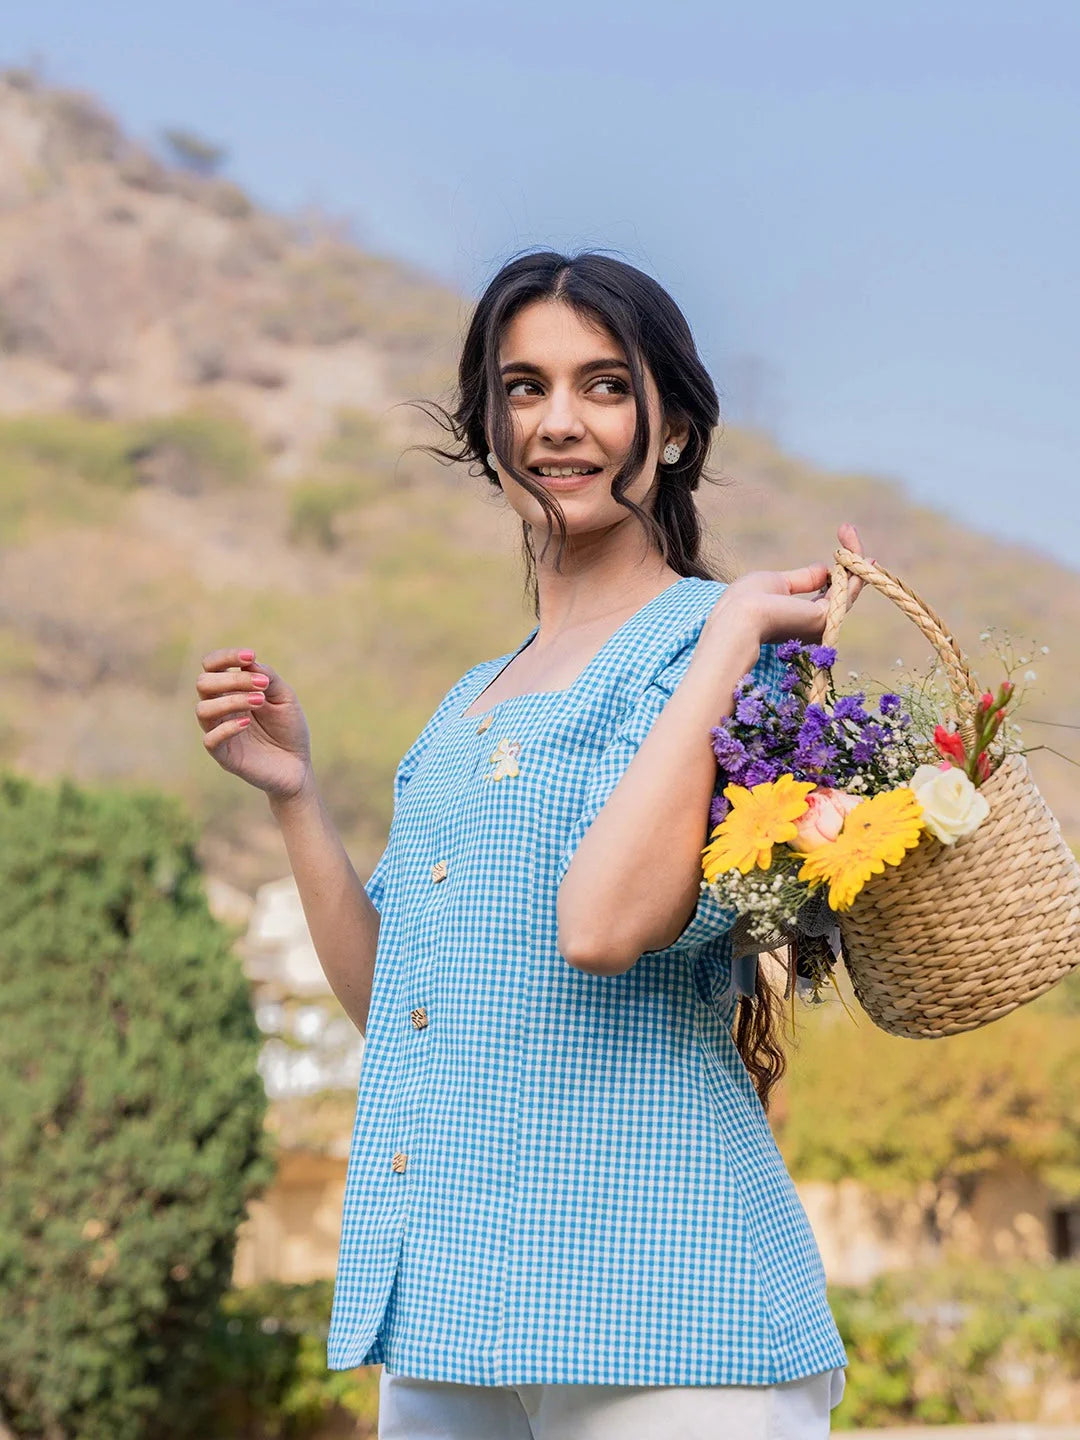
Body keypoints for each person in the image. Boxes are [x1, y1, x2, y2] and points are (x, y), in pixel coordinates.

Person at [195, 249, 872, 1439]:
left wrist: (724, 635)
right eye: (524, 388)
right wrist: (296, 799)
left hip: (675, 1317)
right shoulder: (470, 701)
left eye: (604, 386)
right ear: (489, 427)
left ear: (669, 428)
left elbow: (602, 929)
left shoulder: (745, 664)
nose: (560, 421)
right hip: (459, 1313)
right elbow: (399, 998)